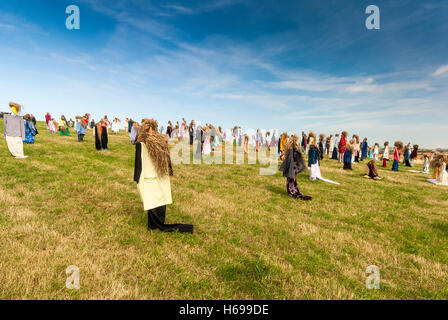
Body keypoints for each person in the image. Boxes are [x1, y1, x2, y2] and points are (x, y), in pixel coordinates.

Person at [134, 119, 193, 233]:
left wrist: (137, 177)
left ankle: (154, 225)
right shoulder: (160, 140)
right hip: (160, 174)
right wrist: (168, 171)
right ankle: (157, 222)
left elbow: (140, 161)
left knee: (153, 199)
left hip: (150, 175)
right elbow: (166, 158)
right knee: (159, 198)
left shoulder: (145, 142)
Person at [279, 135, 312, 201]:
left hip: (291, 167)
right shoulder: (296, 149)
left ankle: (291, 191)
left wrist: (285, 167)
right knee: (293, 180)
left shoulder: (290, 150)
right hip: (294, 167)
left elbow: (288, 160)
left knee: (290, 180)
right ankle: (294, 190)